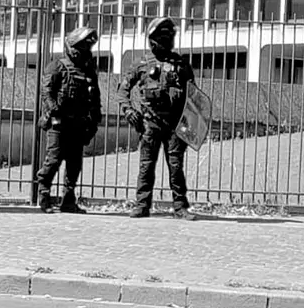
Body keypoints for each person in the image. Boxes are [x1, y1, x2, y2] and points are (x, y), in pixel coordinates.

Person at [117, 17, 197, 220]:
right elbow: (122, 90)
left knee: (176, 168)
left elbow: (194, 97)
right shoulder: (141, 64)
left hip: (174, 127)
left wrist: (189, 125)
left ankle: (180, 207)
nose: (168, 41)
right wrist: (129, 111)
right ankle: (142, 205)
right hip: (150, 125)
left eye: (170, 36)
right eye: (163, 37)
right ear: (153, 40)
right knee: (146, 166)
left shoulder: (181, 64)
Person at [35, 26, 101, 214]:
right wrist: (54, 110)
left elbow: (95, 98)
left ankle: (68, 200)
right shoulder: (57, 66)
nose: (87, 53)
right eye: (83, 48)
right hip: (58, 123)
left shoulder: (88, 71)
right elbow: (46, 92)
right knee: (53, 160)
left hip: (78, 124)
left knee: (74, 164)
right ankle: (44, 195)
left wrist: (94, 121)